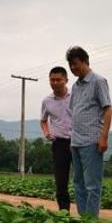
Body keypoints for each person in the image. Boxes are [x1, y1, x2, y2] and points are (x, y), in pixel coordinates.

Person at [66, 46, 112, 218]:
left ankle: (91, 222)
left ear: (86, 62)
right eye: (70, 65)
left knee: (92, 185)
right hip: (76, 141)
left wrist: (104, 137)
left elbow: (108, 110)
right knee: (78, 183)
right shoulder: (75, 86)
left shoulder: (98, 81)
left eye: (75, 64)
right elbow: (75, 111)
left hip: (92, 141)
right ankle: (82, 218)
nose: (73, 68)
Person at [40, 66, 73, 211]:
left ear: (66, 80)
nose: (55, 83)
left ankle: (87, 215)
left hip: (78, 142)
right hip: (59, 144)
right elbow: (43, 120)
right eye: (52, 80)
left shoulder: (75, 96)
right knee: (61, 181)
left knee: (81, 179)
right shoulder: (47, 101)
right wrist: (47, 133)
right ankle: (64, 213)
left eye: (58, 79)